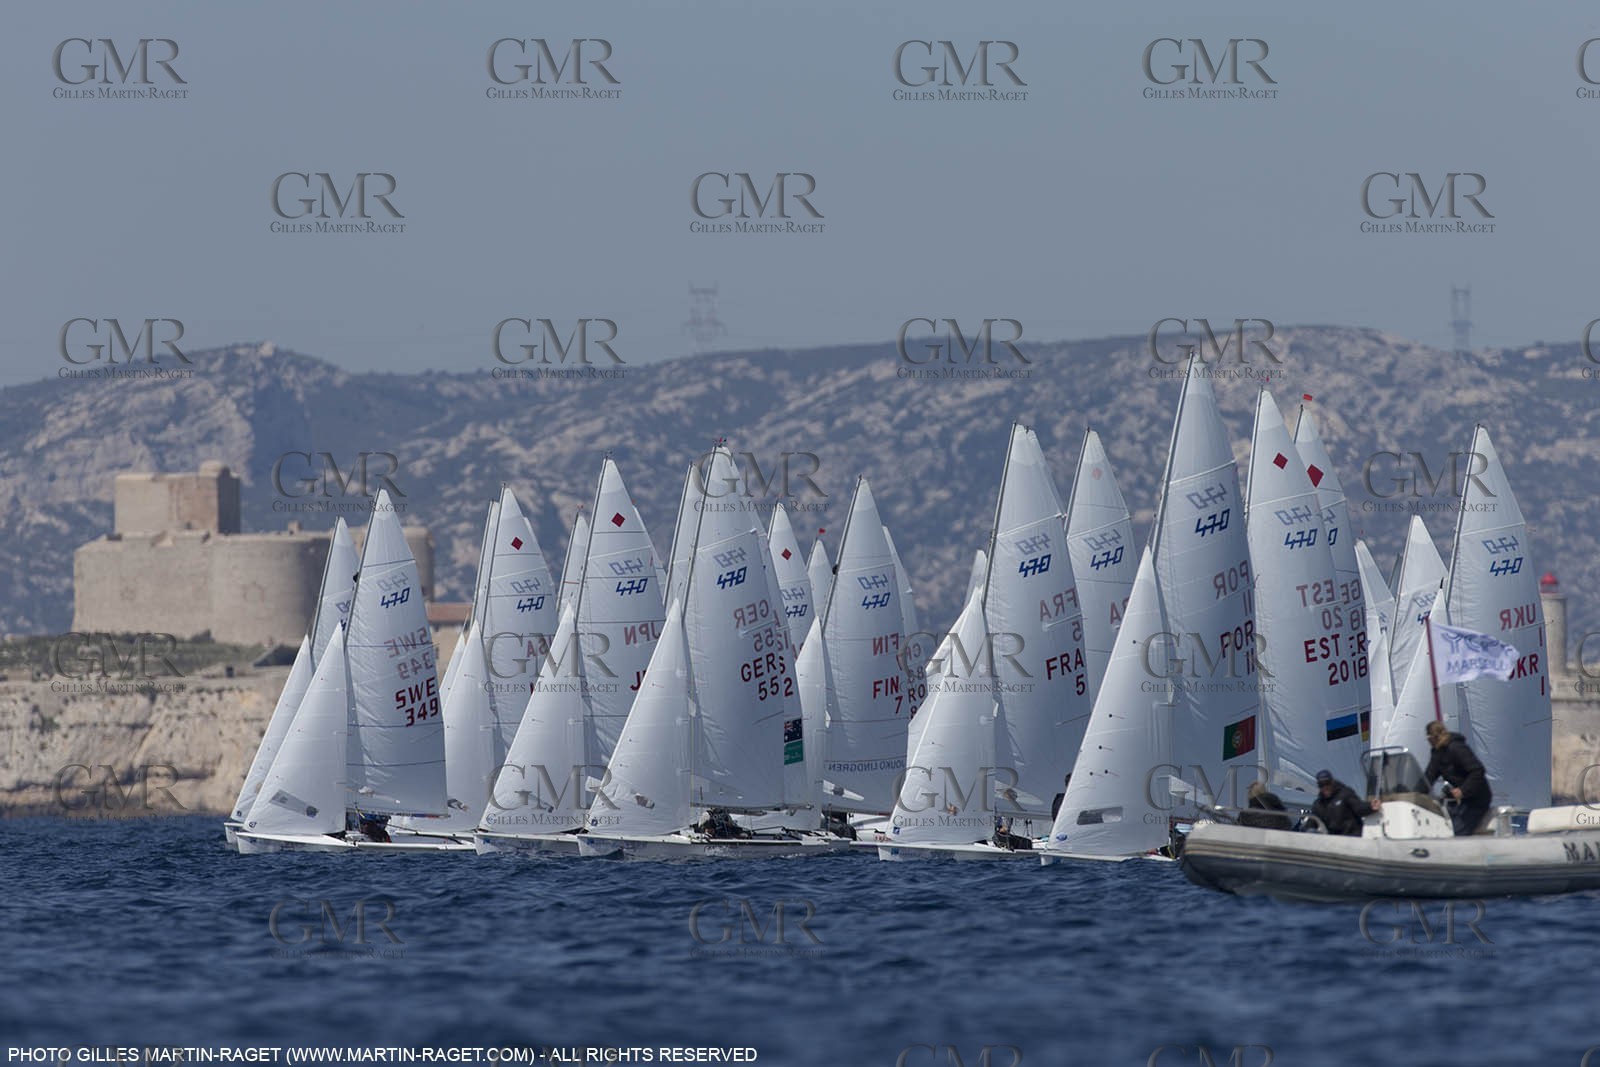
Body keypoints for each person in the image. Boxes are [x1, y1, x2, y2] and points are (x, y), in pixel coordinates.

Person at [1423, 720, 1493, 836]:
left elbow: (1477, 770)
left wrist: (1463, 790)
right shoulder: (1438, 753)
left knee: (1456, 832)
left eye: (1428, 738)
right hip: (1460, 801)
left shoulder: (1456, 748)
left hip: (1476, 799)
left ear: (1433, 737)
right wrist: (1412, 792)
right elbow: (1429, 777)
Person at [1310, 769, 1376, 836]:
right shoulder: (1318, 805)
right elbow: (1312, 822)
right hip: (1334, 838)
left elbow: (1359, 807)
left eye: (1327, 783)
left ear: (1332, 782)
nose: (1325, 787)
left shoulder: (1345, 794)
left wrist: (1371, 806)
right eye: (1321, 785)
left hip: (1353, 836)